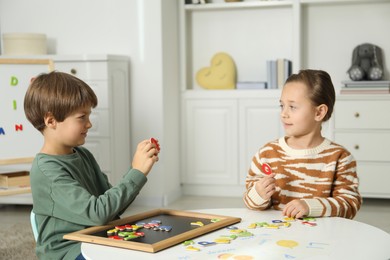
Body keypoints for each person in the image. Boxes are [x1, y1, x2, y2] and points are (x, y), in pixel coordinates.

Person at [24, 71, 160, 260]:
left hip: (96, 238)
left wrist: (138, 169)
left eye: (89, 115)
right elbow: (98, 214)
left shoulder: (83, 155)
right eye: (82, 117)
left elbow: (112, 208)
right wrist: (137, 172)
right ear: (51, 120)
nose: (89, 124)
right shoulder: (47, 171)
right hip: (69, 250)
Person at [243, 69, 362, 219]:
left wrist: (309, 206)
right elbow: (249, 201)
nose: (284, 113)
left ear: (319, 113)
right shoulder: (266, 154)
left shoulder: (340, 158)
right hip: (277, 237)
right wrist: (258, 195)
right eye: (282, 106)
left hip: (322, 238)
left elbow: (349, 204)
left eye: (292, 107)